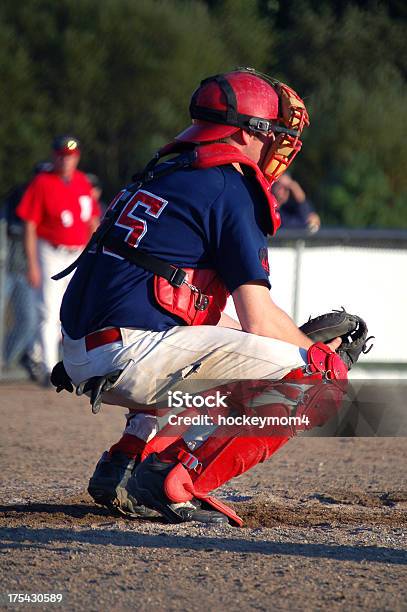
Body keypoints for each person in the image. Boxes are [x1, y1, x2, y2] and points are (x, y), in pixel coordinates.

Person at [56, 69, 346, 526]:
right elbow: (258, 318)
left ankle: (129, 458)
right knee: (315, 376)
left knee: (216, 339)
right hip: (130, 352)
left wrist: (279, 345)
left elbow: (198, 314)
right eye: (275, 133)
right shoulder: (230, 185)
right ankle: (173, 479)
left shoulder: (164, 170)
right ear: (250, 132)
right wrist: (315, 356)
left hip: (85, 347)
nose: (281, 146)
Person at [16, 136, 101, 385]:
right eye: (61, 154)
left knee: (74, 312)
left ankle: (51, 360)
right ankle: (50, 371)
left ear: (77, 157)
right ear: (54, 156)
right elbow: (29, 225)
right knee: (49, 311)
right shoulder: (42, 182)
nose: (66, 159)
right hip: (49, 252)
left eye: (71, 155)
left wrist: (93, 255)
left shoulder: (82, 181)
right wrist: (32, 263)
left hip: (77, 253)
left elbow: (93, 222)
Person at [1, 162, 52, 374]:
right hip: (5, 268)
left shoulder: (50, 201)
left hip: (28, 272)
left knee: (30, 321)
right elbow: (9, 227)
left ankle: (5, 361)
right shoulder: (18, 196)